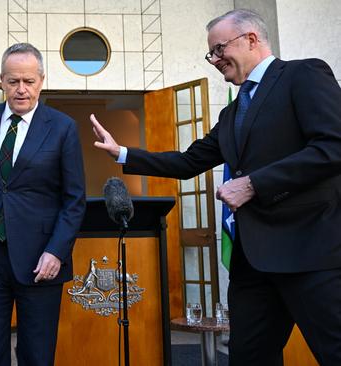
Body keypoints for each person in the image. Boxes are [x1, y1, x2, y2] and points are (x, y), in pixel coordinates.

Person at [91, 9, 341, 366]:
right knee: (247, 358)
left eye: (219, 49)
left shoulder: (303, 75)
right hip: (254, 265)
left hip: (312, 254)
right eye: (211, 53)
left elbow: (333, 147)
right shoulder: (232, 113)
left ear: (251, 39)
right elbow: (188, 162)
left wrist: (254, 183)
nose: (215, 60)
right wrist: (123, 152)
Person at [0, 43, 86, 366]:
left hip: (40, 259)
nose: (21, 89)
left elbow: (74, 199)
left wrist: (56, 251)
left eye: (28, 81)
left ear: (41, 80)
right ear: (2, 81)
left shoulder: (63, 127)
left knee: (36, 353)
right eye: (13, 81)